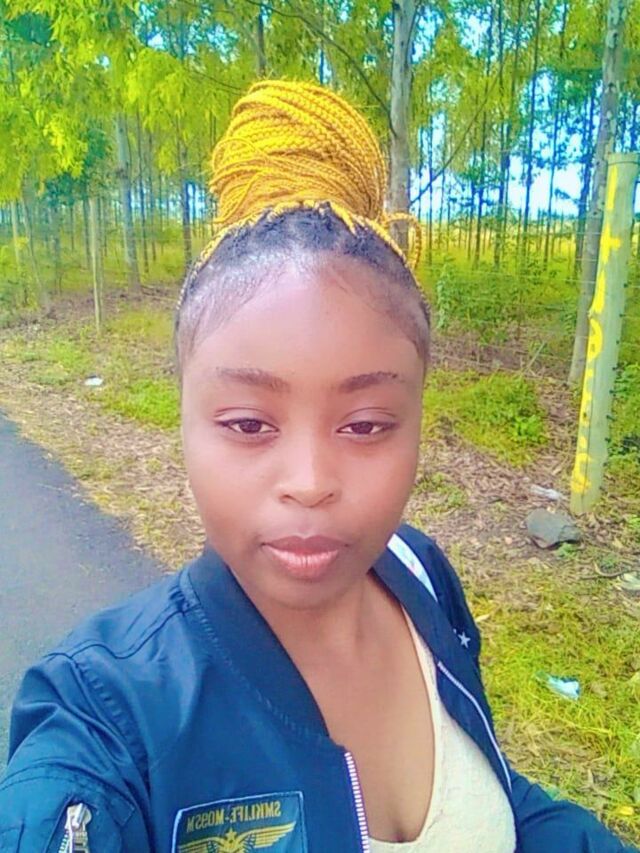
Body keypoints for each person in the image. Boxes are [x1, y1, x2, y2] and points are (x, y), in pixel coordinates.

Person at [0, 80, 636, 853]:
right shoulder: (107, 714)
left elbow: (494, 795)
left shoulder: (420, 573)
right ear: (184, 419)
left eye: (365, 425)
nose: (309, 479)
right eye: (248, 424)